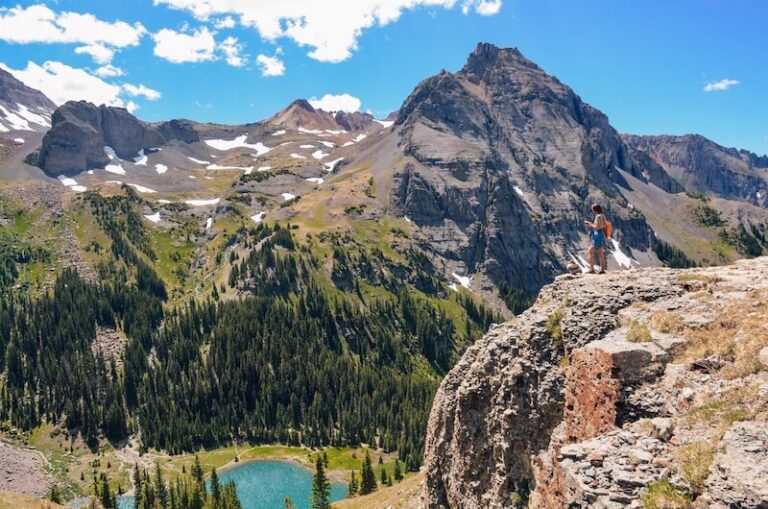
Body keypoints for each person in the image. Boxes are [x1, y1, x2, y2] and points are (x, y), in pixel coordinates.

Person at [584, 204, 607, 274]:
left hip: (597, 235)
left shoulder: (598, 217)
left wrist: (589, 223)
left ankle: (591, 269)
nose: (592, 210)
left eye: (592, 209)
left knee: (590, 252)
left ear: (595, 210)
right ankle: (602, 270)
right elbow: (605, 225)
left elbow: (596, 227)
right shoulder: (603, 216)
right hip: (601, 234)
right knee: (600, 253)